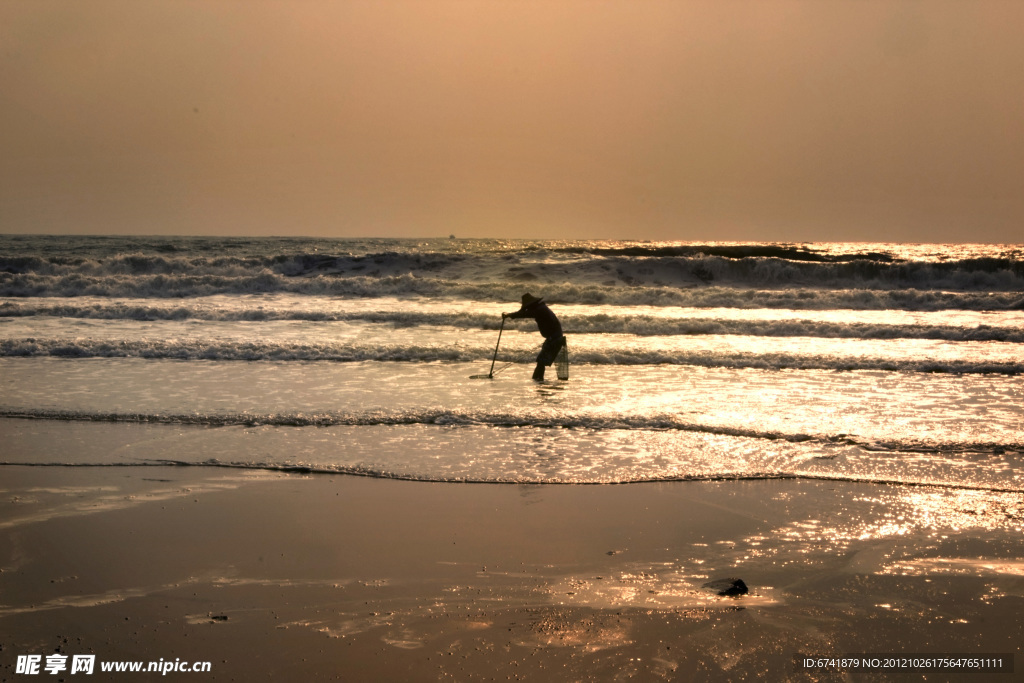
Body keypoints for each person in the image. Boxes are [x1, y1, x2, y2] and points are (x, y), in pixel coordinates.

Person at [503, 293, 566, 381]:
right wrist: (509, 315)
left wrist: (509, 315)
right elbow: (524, 313)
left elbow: (524, 314)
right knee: (541, 362)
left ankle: (537, 380)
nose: (527, 309)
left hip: (554, 338)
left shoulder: (539, 310)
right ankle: (539, 381)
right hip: (554, 337)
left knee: (540, 361)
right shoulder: (541, 308)